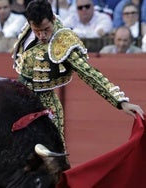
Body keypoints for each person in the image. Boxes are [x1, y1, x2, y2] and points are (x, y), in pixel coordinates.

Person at [12, 0, 144, 151]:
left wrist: (121, 102)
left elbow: (89, 74)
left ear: (53, 20)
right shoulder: (28, 31)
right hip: (20, 97)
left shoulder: (64, 41)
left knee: (52, 155)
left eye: (46, 29)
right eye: (37, 30)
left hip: (46, 106)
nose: (42, 35)